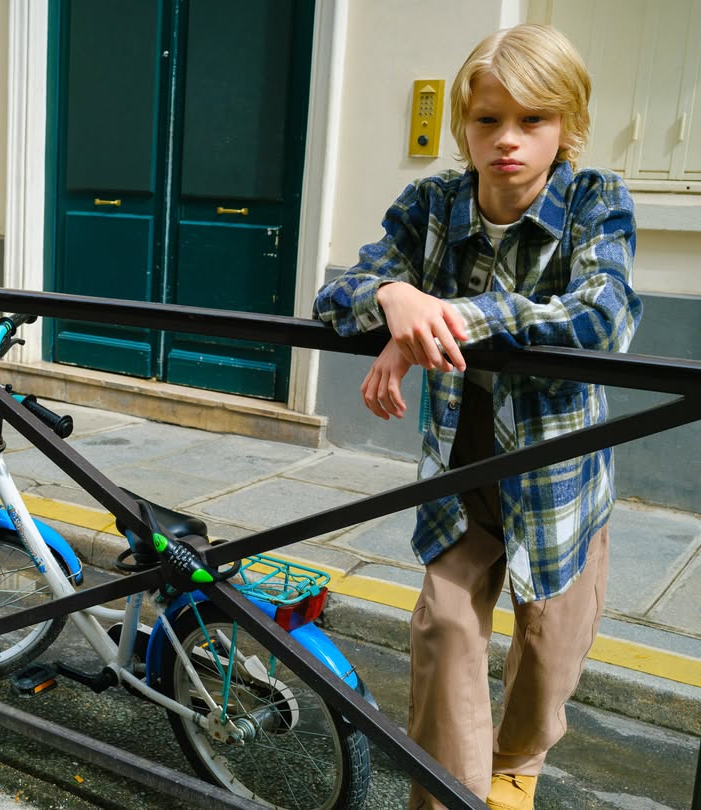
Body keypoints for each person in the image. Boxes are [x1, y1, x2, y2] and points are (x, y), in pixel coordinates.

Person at [312, 23, 642, 810]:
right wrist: (394, 299)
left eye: (534, 120)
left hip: (558, 474)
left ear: (568, 125)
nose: (508, 141)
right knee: (445, 630)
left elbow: (604, 316)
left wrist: (443, 317)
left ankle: (517, 767)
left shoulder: (597, 200)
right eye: (488, 120)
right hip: (463, 472)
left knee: (547, 650)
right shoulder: (430, 205)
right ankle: (451, 797)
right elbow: (337, 296)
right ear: (464, 123)